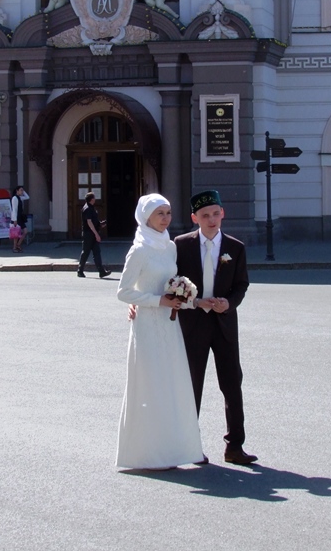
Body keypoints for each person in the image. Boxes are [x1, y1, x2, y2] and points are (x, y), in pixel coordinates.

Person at [116, 194, 205, 470]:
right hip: (147, 325)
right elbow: (123, 292)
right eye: (159, 213)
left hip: (169, 324)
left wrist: (188, 297)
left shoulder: (169, 247)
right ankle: (148, 453)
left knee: (172, 385)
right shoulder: (139, 250)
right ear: (146, 218)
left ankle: (174, 450)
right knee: (152, 386)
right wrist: (157, 301)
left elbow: (171, 282)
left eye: (168, 212)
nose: (166, 218)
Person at [175, 189, 257, 465]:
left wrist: (229, 303)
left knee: (232, 384)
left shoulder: (236, 248)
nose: (211, 220)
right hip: (193, 325)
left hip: (223, 325)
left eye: (215, 214)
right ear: (194, 218)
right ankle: (189, 445)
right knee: (191, 385)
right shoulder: (181, 245)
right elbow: (170, 282)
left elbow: (241, 285)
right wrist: (194, 302)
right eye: (204, 215)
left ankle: (234, 446)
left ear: (223, 213)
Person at [77, 191, 111, 278]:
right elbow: (89, 222)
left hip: (91, 233)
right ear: (92, 199)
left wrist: (100, 224)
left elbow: (93, 221)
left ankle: (101, 271)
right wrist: (96, 234)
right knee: (86, 252)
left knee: (97, 252)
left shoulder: (90, 208)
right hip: (89, 234)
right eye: (94, 198)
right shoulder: (88, 208)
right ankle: (80, 270)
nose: (95, 199)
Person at [10, 186, 29, 252]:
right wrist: (15, 219)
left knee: (25, 231)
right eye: (21, 190)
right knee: (16, 232)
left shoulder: (20, 198)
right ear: (17, 191)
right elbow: (14, 209)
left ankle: (18, 244)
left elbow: (27, 197)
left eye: (22, 190)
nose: (22, 192)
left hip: (21, 217)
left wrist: (23, 191)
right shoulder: (15, 198)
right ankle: (15, 247)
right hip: (16, 218)